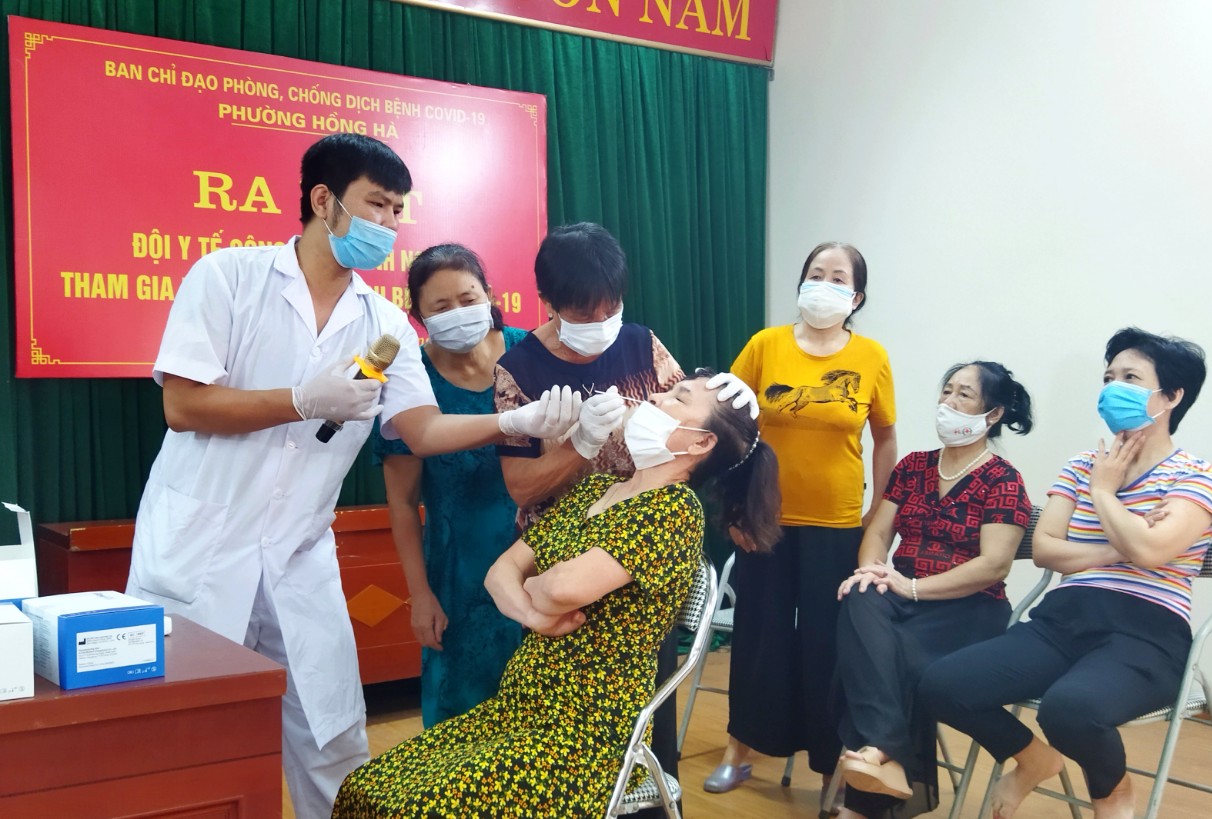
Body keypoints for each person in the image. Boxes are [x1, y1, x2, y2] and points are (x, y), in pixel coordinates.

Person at [125, 134, 579, 818]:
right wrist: (301, 399)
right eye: (377, 204)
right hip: (199, 552)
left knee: (333, 734)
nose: (389, 225)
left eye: (398, 211)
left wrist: (510, 421)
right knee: (185, 742)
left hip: (299, 557)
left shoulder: (381, 323)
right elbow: (183, 406)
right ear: (323, 200)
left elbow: (423, 431)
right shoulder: (227, 277)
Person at [332, 370, 782, 818]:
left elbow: (561, 588)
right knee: (365, 790)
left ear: (701, 442)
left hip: (583, 735)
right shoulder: (597, 488)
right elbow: (499, 573)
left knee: (413, 810)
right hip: (517, 709)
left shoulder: (673, 510)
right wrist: (537, 614)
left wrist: (534, 588)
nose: (655, 398)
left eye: (678, 398)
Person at [492, 222, 758, 804]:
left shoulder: (642, 346)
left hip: (627, 567)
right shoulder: (521, 370)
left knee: (640, 730)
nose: (601, 321)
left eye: (611, 307)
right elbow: (521, 490)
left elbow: (696, 425)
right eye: (583, 312)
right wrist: (578, 447)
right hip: (560, 542)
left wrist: (730, 404)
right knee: (546, 718)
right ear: (549, 301)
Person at [920, 328, 1212, 819]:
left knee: (1070, 710)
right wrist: (1121, 545)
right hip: (1063, 621)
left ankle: (1113, 792)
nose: (1112, 388)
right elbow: (1045, 550)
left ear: (1171, 396)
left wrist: (1104, 493)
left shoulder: (1196, 475)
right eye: (1108, 377)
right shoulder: (1083, 465)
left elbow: (1153, 552)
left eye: (1130, 378)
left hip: (1146, 634)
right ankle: (1033, 759)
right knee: (941, 683)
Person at [705, 241, 898, 796]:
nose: (824, 284)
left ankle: (830, 762)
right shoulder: (765, 345)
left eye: (839, 278)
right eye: (817, 273)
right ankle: (740, 746)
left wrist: (876, 516)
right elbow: (727, 427)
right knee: (759, 633)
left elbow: (885, 438)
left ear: (856, 297)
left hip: (837, 523)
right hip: (764, 518)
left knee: (826, 642)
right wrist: (734, 508)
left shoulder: (872, 357)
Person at [831, 362, 1034, 819]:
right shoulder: (913, 466)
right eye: (947, 390)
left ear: (993, 414)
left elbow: (994, 564)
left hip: (969, 608)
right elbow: (878, 532)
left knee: (880, 656)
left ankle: (868, 790)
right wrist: (872, 571)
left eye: (965, 395)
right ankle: (885, 751)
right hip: (902, 595)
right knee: (859, 595)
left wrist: (913, 588)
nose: (949, 402)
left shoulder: (1003, 479)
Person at [374, 243, 528, 728]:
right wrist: (420, 595)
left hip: (543, 563)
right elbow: (402, 503)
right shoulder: (410, 378)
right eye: (440, 307)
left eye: (467, 298)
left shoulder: (531, 352)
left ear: (489, 295)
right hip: (458, 578)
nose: (458, 312)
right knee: (463, 722)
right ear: (418, 317)